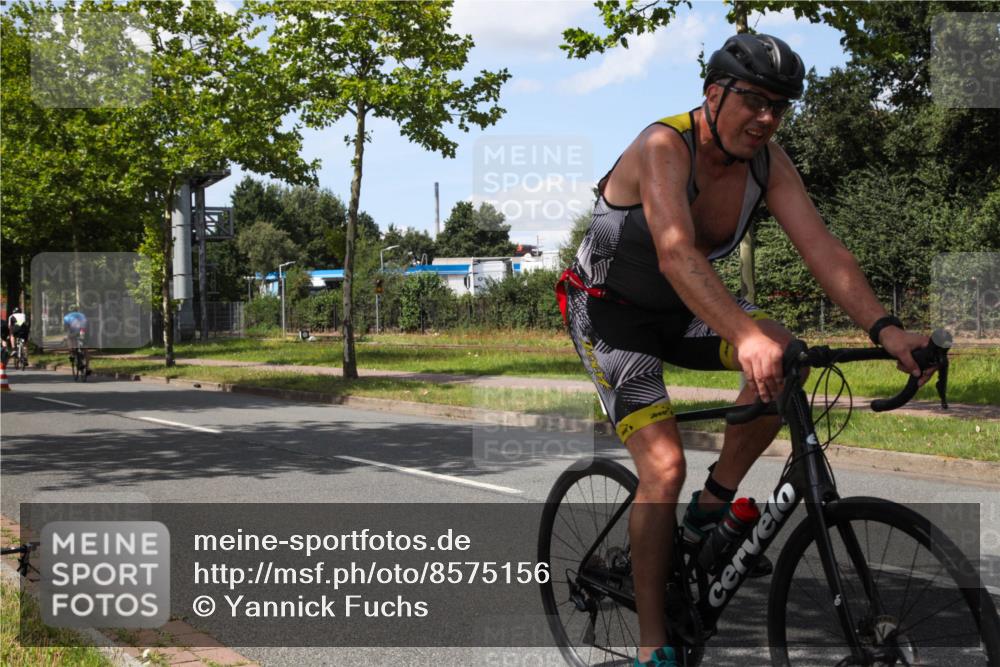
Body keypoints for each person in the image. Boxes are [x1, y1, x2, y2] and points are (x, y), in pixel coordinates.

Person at [557, 33, 936, 667]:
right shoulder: (663, 145)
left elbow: (824, 251)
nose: (766, 118)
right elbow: (676, 251)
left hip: (680, 313)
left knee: (786, 353)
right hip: (606, 316)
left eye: (779, 107)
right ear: (714, 94)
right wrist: (743, 331)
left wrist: (888, 331)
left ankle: (713, 506)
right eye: (754, 101)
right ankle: (655, 646)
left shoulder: (768, 164)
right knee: (662, 468)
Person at [63, 305, 90, 373]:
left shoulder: (67, 317)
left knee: (69, 338)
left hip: (74, 331)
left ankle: (71, 354)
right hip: (83, 331)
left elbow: (66, 329)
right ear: (77, 310)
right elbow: (86, 324)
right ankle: (88, 367)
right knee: (85, 349)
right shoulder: (82, 315)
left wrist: (66, 336)